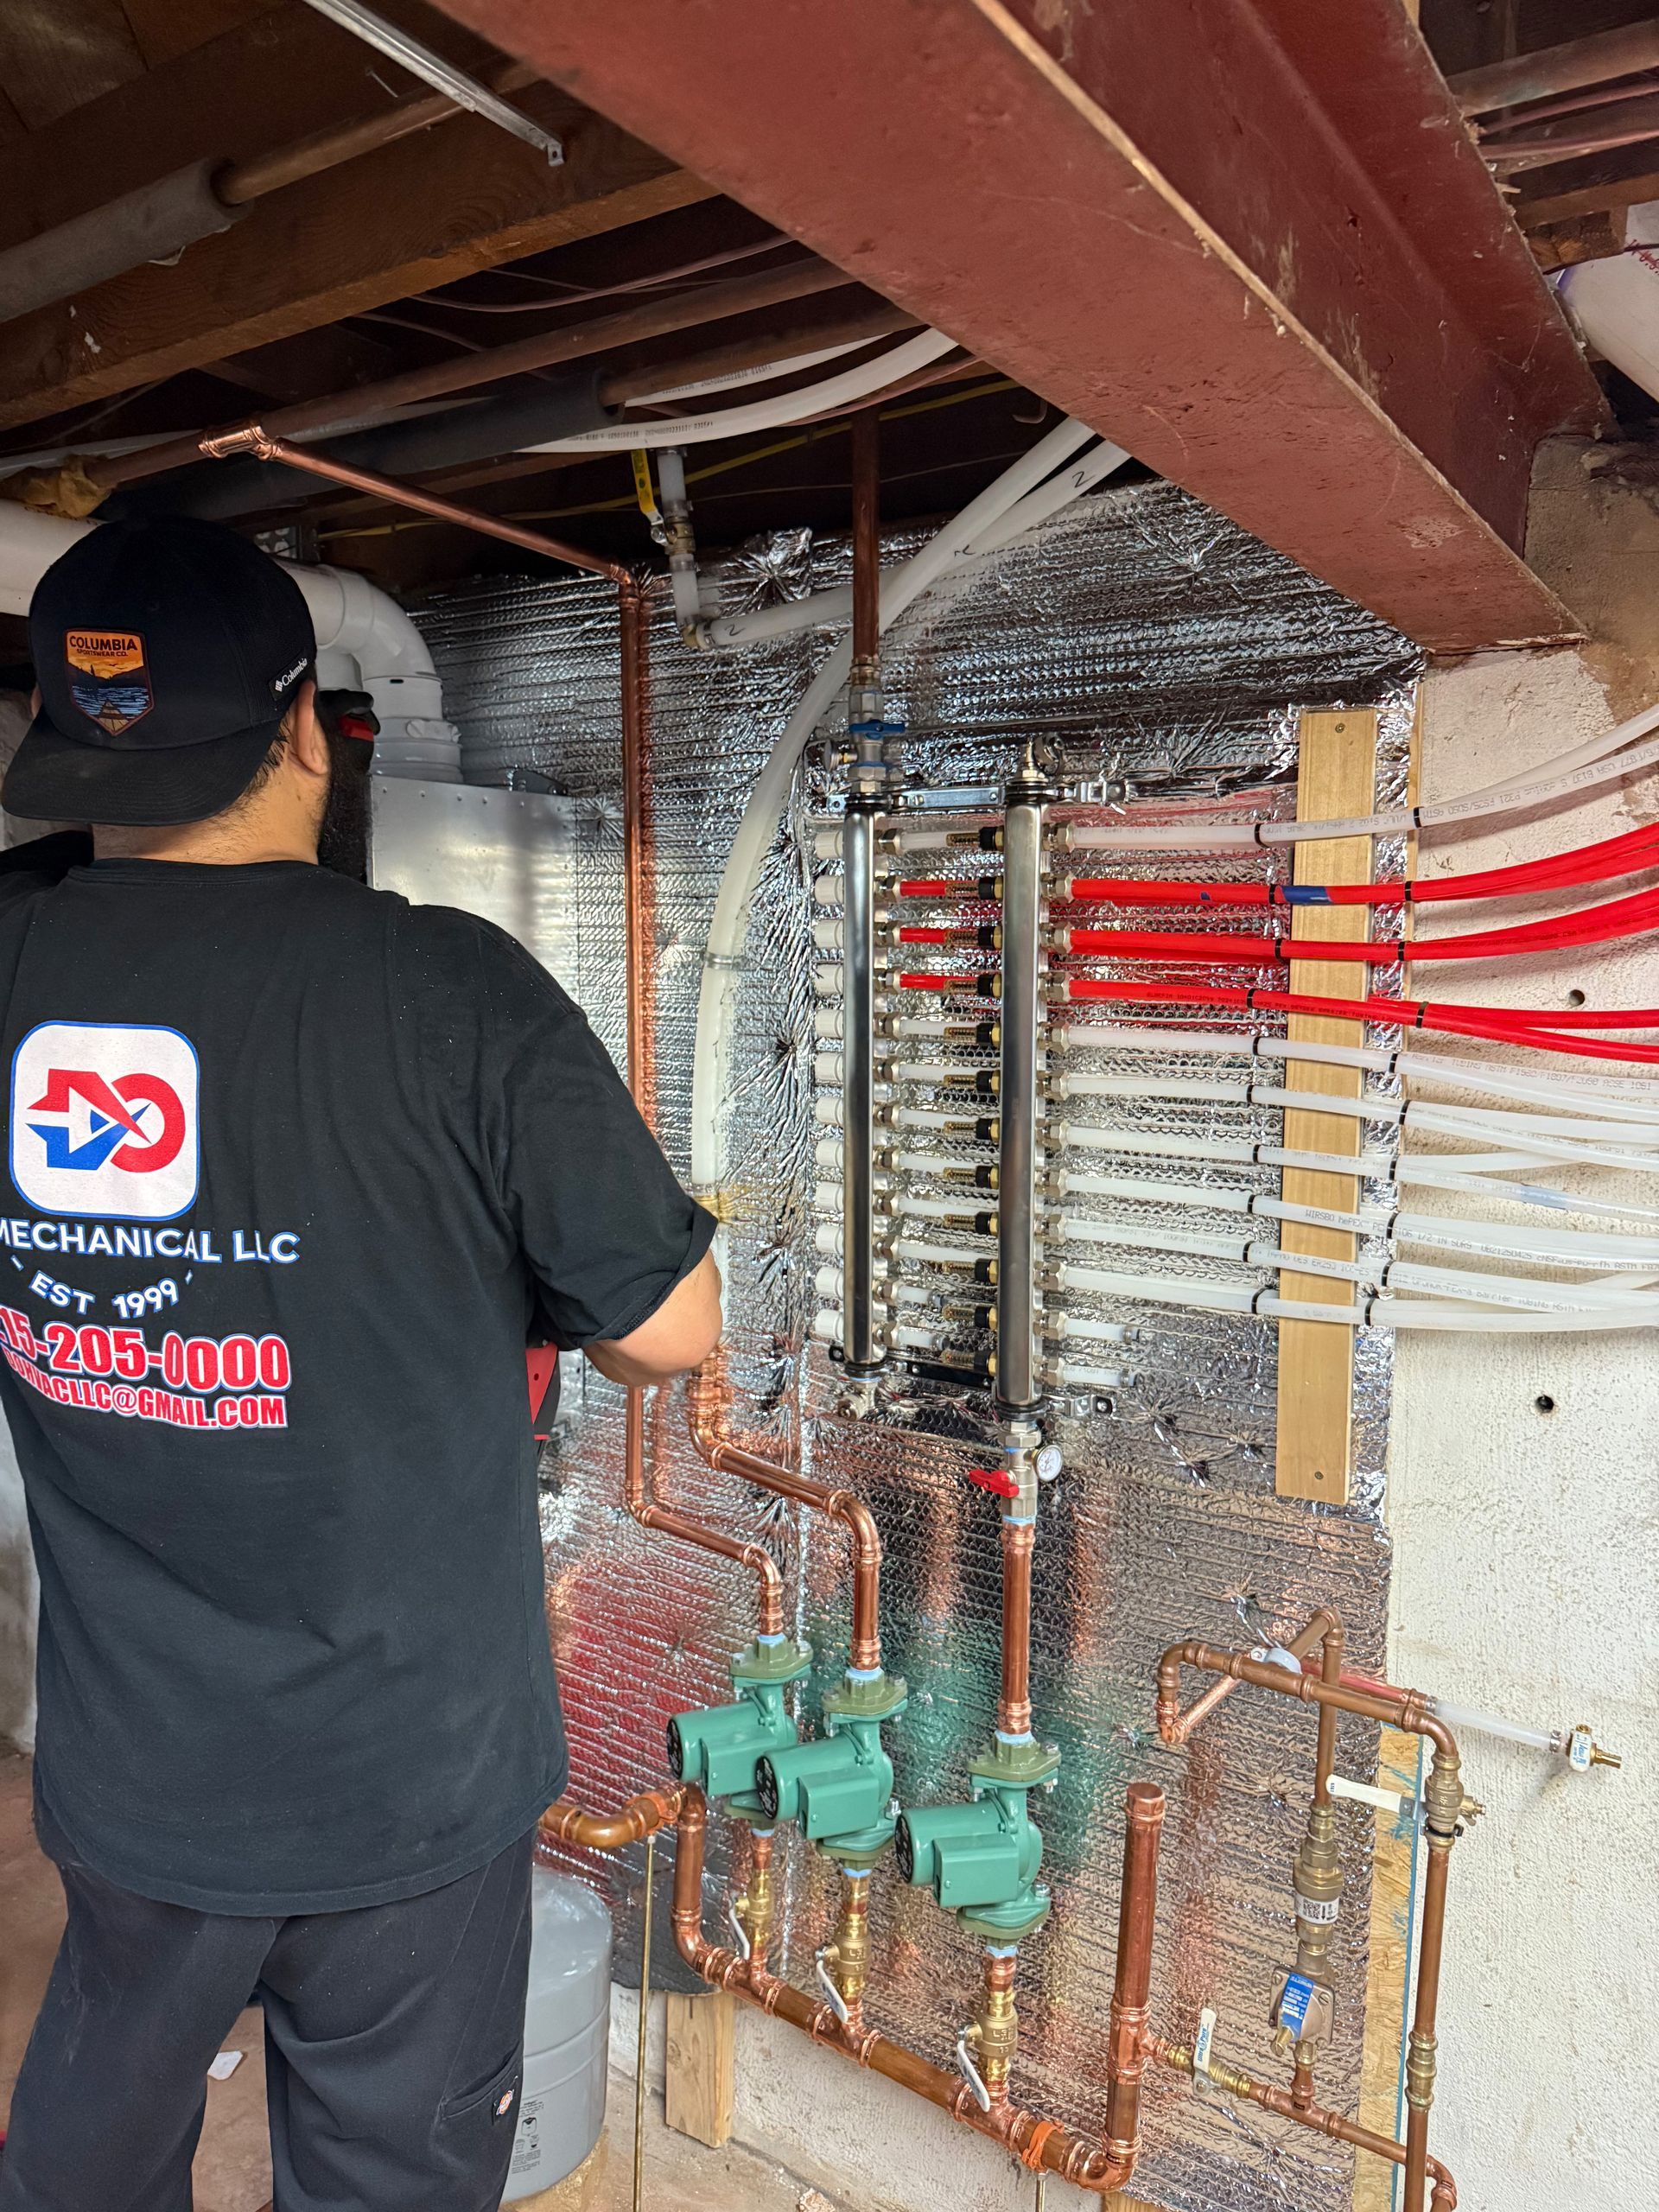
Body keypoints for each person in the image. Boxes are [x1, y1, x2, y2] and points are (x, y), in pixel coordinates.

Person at [0, 518, 720, 2212]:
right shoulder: (449, 990)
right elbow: (671, 1327)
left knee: (90, 2151)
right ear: (308, 727)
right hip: (408, 1778)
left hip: (132, 1769)